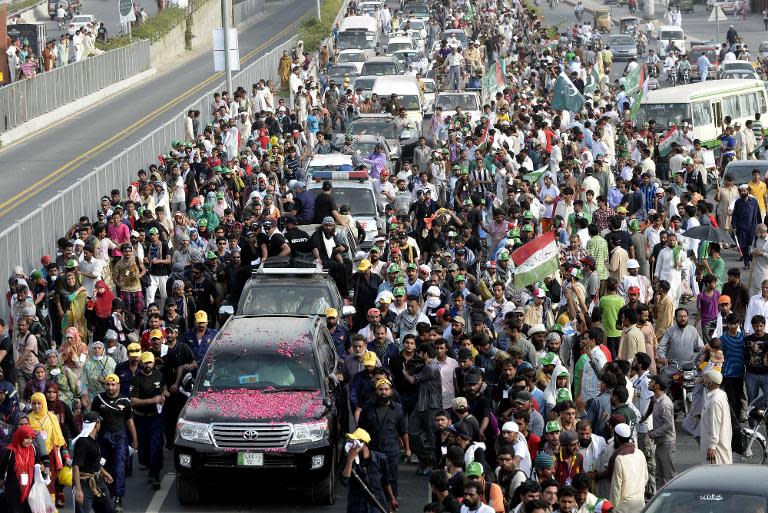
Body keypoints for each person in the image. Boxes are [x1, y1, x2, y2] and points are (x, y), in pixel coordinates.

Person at [90, 374, 137, 512]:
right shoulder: (98, 400)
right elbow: (93, 422)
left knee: (119, 468)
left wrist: (135, 440)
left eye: (113, 384)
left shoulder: (125, 401)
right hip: (103, 440)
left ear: (118, 385)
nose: (110, 387)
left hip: (120, 439)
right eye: (108, 384)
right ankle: (106, 495)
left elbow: (130, 421)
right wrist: (90, 441)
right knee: (104, 468)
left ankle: (118, 497)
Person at [129, 352, 166, 490]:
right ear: (141, 364)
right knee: (144, 451)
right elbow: (133, 401)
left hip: (156, 417)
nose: (148, 365)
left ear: (153, 363)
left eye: (150, 363)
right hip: (140, 418)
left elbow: (163, 389)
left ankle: (156, 475)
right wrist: (153, 400)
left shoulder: (159, 375)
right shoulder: (136, 379)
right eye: (145, 363)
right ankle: (149, 465)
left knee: (155, 446)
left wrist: (164, 396)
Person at [341, 428, 398, 513]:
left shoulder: (380, 459)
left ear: (365, 443)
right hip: (357, 506)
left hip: (376, 506)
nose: (353, 444)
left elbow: (386, 481)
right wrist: (350, 460)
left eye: (356, 441)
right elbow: (345, 481)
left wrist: (392, 498)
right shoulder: (350, 460)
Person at [72, 411, 115, 513]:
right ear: (96, 424)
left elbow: (95, 461)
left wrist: (104, 473)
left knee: (108, 510)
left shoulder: (94, 438)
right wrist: (78, 490)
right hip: (84, 485)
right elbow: (76, 466)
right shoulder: (82, 442)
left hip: (98, 482)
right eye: (99, 422)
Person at [0, 424, 49, 513]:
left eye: (31, 438)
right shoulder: (9, 451)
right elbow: (2, 471)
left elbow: (37, 464)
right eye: (26, 438)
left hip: (29, 489)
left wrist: (41, 468)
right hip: (13, 490)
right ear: (20, 437)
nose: (29, 441)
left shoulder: (34, 449)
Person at [609, 423, 647, 513]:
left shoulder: (619, 458)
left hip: (624, 507)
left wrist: (612, 508)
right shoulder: (640, 453)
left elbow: (616, 488)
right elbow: (645, 478)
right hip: (640, 504)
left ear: (616, 438)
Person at [648, 374, 676, 490]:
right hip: (660, 442)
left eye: (652, 382)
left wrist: (653, 433)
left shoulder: (665, 403)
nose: (649, 383)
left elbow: (668, 425)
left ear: (657, 386)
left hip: (666, 442)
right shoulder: (656, 400)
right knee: (659, 475)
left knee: (668, 475)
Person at [699, 370, 732, 464]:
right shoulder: (721, 394)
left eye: (706, 378)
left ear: (711, 382)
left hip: (717, 449)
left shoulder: (715, 401)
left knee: (716, 475)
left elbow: (715, 423)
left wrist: (712, 445)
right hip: (719, 442)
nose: (703, 380)